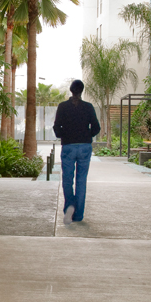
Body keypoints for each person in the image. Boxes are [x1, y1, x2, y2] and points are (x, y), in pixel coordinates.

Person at [52, 80, 101, 224]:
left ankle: (70, 206)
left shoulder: (62, 107)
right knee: (81, 181)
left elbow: (56, 127)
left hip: (68, 146)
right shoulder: (88, 107)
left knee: (67, 180)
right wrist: (86, 135)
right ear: (82, 91)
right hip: (84, 146)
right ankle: (78, 215)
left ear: (71, 90)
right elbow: (96, 128)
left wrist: (64, 135)